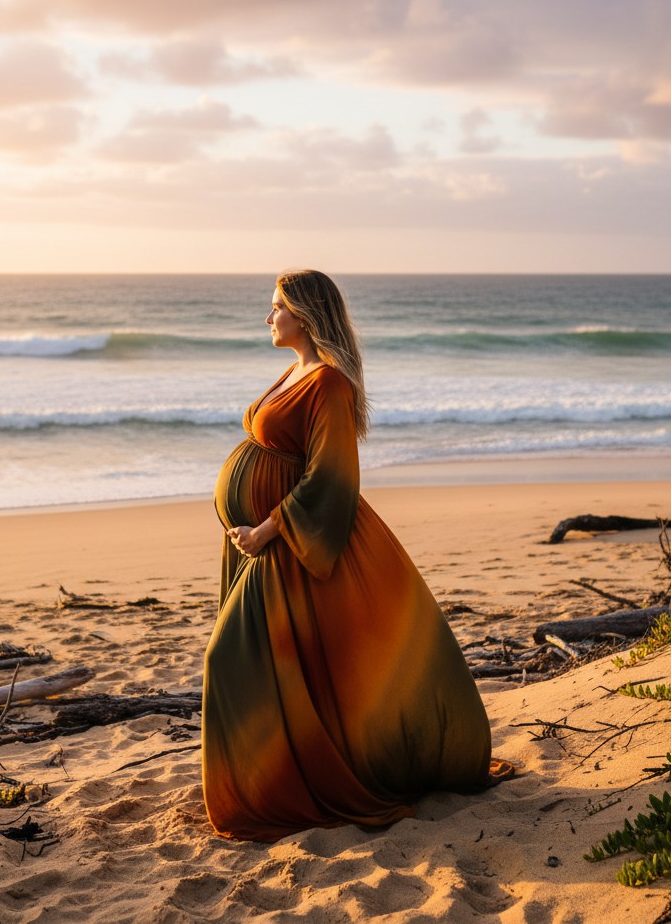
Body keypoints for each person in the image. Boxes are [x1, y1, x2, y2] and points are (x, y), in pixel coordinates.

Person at [202, 269, 494, 841]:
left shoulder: (330, 383)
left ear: (305, 316)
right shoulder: (297, 371)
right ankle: (269, 778)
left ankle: (266, 791)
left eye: (276, 308)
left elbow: (333, 479)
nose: (268, 318)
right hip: (266, 538)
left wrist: (269, 530)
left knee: (226, 658)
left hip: (289, 543)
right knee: (279, 667)